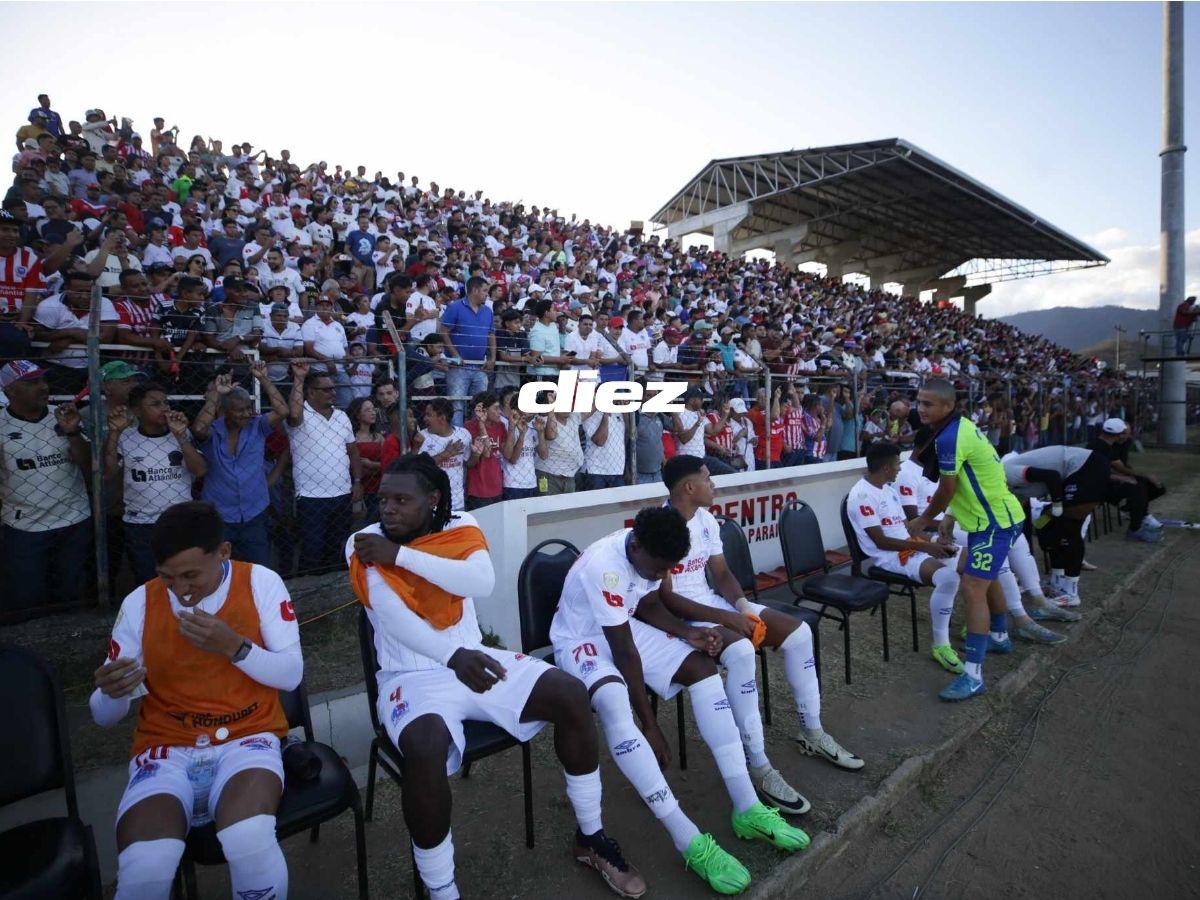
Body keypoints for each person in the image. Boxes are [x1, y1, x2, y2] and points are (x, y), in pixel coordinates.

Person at [346, 454, 645, 899]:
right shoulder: (363, 542)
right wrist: (452, 654)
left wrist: (402, 556)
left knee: (570, 693)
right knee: (424, 747)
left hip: (473, 658)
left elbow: (478, 581)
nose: (387, 509)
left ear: (432, 501)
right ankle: (441, 888)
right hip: (410, 676)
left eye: (401, 500)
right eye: (383, 498)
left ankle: (591, 836)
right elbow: (390, 618)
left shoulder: (461, 524)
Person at [552, 507, 811, 895]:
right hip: (582, 640)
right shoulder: (606, 566)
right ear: (636, 546)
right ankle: (687, 838)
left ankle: (747, 808)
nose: (660, 576)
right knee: (614, 703)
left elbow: (650, 604)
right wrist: (651, 726)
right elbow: (624, 653)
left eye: (666, 570)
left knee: (703, 670)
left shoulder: (649, 552)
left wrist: (687, 635)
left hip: (622, 628)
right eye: (658, 569)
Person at [90, 501, 301, 900]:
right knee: (146, 866)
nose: (181, 590)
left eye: (190, 576)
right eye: (167, 578)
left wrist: (236, 648)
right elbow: (104, 717)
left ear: (223, 553)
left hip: (248, 736)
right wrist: (110, 693)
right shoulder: (140, 603)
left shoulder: (261, 583)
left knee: (248, 837)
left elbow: (291, 675)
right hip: (166, 747)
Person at [659, 456, 864, 814]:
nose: (714, 484)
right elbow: (667, 597)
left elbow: (721, 574)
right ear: (689, 487)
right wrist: (726, 618)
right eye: (707, 479)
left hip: (712, 604)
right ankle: (759, 765)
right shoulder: (661, 525)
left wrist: (741, 608)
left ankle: (812, 732)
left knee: (799, 634)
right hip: (682, 618)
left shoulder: (706, 520)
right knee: (740, 653)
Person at [909, 378, 1026, 702]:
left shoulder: (949, 437)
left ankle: (973, 675)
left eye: (928, 404)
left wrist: (923, 520)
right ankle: (999, 635)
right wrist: (950, 518)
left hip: (994, 523)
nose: (921, 409)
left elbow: (947, 489)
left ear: (948, 406)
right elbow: (965, 483)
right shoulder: (956, 427)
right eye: (919, 402)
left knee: (974, 587)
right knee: (984, 578)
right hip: (990, 519)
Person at [847, 442, 966, 673]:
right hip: (890, 557)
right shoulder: (861, 495)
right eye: (896, 465)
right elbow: (881, 542)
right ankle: (941, 645)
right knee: (949, 578)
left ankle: (971, 625)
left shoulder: (888, 490)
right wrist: (928, 549)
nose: (900, 469)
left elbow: (906, 529)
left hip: (910, 546)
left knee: (971, 560)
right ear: (885, 468)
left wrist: (932, 541)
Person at [0, 360, 92, 613]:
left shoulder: (62, 415)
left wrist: (72, 433)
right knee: (27, 599)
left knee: (71, 595)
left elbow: (87, 465)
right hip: (25, 526)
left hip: (74, 519)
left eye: (43, 380)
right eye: (31, 383)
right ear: (9, 390)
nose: (42, 387)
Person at [104, 382, 207, 583]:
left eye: (165, 403)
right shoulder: (126, 437)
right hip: (141, 523)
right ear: (136, 411)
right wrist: (114, 433)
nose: (164, 408)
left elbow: (200, 470)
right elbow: (108, 473)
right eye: (155, 404)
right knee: (149, 580)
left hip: (180, 520)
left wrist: (181, 437)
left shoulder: (180, 433)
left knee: (185, 577)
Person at [191, 364, 291, 567]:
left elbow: (282, 410)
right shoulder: (214, 431)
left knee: (258, 568)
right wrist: (215, 396)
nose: (246, 413)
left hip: (254, 514)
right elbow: (199, 428)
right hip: (220, 516)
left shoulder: (257, 426)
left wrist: (263, 378)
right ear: (225, 412)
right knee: (220, 569)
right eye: (240, 410)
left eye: (248, 408)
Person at [1002, 443, 1112, 607]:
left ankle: (1071, 593)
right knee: (1054, 529)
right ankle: (1057, 584)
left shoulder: (1006, 473)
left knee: (1070, 528)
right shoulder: (1009, 488)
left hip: (1085, 466)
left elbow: (1052, 476)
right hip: (1072, 474)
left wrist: (1057, 506)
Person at [285, 363, 363, 572]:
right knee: (312, 550)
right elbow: (292, 415)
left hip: (342, 494)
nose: (333, 392)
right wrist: (299, 378)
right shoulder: (301, 415)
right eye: (326, 389)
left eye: (333, 388)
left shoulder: (342, 416)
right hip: (311, 498)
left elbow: (353, 452)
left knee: (337, 549)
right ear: (311, 392)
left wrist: (357, 482)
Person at [1089, 417, 1166, 544]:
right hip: (1098, 485)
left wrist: (1129, 477)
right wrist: (1124, 477)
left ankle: (1136, 513)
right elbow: (1103, 472)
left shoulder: (1112, 444)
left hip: (1107, 480)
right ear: (1118, 434)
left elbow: (1116, 467)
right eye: (1123, 433)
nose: (1124, 436)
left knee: (1146, 486)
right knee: (1137, 488)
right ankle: (1135, 527)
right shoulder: (1100, 446)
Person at [438, 276, 495, 427]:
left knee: (481, 405)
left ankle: (477, 435)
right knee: (457, 405)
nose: (486, 294)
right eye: (484, 291)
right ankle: (458, 438)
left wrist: (492, 358)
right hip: (458, 367)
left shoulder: (488, 311)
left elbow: (491, 335)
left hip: (480, 366)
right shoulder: (455, 307)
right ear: (475, 290)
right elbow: (442, 331)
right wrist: (455, 355)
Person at [411, 397, 475, 512]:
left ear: (442, 418)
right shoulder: (421, 438)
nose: (424, 418)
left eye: (429, 415)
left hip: (457, 502)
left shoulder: (463, 435)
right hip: (431, 504)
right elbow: (416, 468)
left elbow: (469, 464)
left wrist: (477, 454)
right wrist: (445, 454)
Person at [498, 389, 546, 500]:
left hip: (531, 483)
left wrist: (540, 432)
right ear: (515, 409)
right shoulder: (506, 426)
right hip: (513, 485)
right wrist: (521, 434)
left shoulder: (534, 426)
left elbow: (544, 455)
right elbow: (512, 459)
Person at [347, 396, 389, 521]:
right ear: (357, 415)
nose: (373, 412)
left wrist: (372, 465)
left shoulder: (379, 437)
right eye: (367, 410)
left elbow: (387, 462)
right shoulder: (351, 437)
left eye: (373, 409)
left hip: (378, 485)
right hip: (356, 484)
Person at [463, 390, 505, 510]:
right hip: (478, 489)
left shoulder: (500, 426)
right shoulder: (469, 426)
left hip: (497, 486)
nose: (499, 412)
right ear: (484, 410)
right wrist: (481, 423)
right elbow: (487, 453)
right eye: (496, 408)